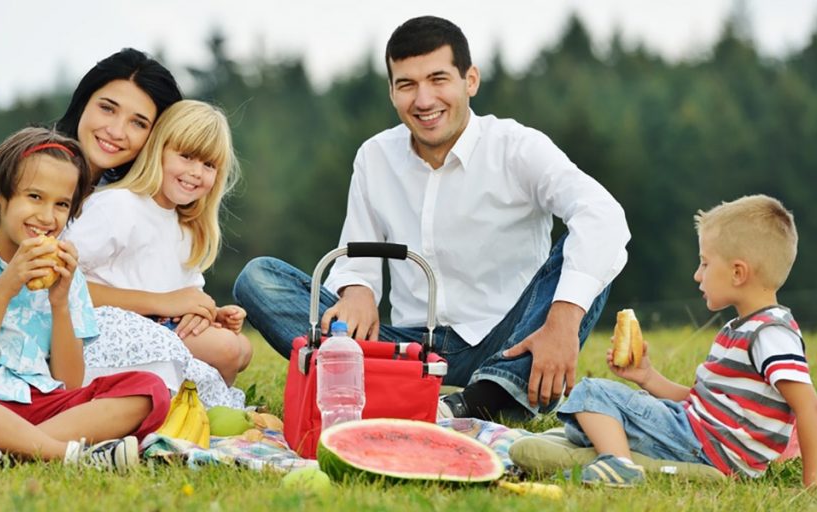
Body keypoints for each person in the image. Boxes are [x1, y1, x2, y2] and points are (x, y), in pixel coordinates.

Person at [233, 15, 630, 421]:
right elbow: (356, 259)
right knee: (259, 279)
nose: (423, 100)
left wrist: (562, 324)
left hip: (508, 339)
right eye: (407, 84)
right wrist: (357, 291)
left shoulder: (516, 146)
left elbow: (604, 216)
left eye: (438, 79)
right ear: (391, 92)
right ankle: (394, 389)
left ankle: (494, 395)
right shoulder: (375, 157)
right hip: (409, 350)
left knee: (592, 248)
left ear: (470, 80)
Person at [0, 48, 240, 444]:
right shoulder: (21, 166)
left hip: (47, 369)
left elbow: (71, 364)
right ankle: (43, 445)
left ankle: (1, 441)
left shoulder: (118, 193)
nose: (117, 130)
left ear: (155, 138)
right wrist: (161, 303)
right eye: (107, 108)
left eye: (138, 123)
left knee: (149, 381)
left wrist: (183, 308)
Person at [0, 127, 168, 471]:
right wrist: (4, 288)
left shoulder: (65, 275)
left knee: (150, 390)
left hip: (42, 402)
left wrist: (60, 303)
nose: (47, 217)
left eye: (61, 204)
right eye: (35, 197)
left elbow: (70, 381)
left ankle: (1, 450)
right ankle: (68, 455)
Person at [556, 195, 817, 488]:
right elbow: (701, 403)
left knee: (592, 393)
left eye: (705, 264)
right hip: (704, 439)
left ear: (738, 273)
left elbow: (809, 408)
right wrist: (647, 377)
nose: (698, 275)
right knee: (589, 420)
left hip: (706, 447)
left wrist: (814, 487)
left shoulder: (769, 333)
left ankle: (620, 467)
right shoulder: (743, 329)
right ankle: (617, 453)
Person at [64, 100, 252, 385]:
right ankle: (200, 408)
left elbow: (186, 299)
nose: (196, 172)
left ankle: (192, 404)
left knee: (243, 348)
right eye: (186, 156)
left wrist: (207, 314)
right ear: (158, 150)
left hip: (158, 327)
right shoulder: (119, 205)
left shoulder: (186, 227)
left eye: (209, 164)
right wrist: (164, 304)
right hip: (105, 331)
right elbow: (62, 283)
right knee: (226, 349)